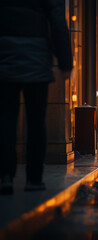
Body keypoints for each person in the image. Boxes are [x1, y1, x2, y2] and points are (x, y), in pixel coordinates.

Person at [0, 0, 72, 194]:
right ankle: (34, 178)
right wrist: (65, 61)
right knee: (36, 120)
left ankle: (5, 176)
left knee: (6, 118)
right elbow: (58, 21)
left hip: (4, 56)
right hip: (36, 58)